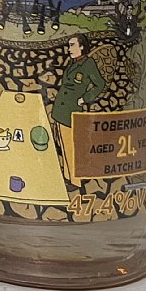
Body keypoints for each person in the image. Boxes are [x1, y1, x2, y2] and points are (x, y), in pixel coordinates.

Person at [52, 34, 106, 186]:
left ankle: (75, 181)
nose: (69, 49)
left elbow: (100, 84)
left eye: (72, 45)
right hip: (61, 110)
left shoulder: (88, 64)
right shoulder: (73, 62)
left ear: (81, 46)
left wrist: (84, 99)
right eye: (69, 45)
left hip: (72, 111)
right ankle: (67, 177)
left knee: (72, 147)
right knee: (64, 145)